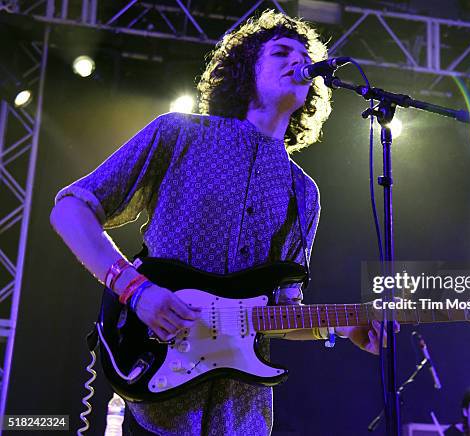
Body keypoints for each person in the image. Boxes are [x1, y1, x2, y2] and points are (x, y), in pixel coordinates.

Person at [50, 10, 394, 436]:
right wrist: (135, 290)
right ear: (246, 69)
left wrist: (344, 324)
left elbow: (280, 312)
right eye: (281, 52)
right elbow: (71, 208)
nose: (297, 60)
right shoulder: (179, 134)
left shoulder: (303, 192)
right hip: (160, 401)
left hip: (243, 414)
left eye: (304, 55)